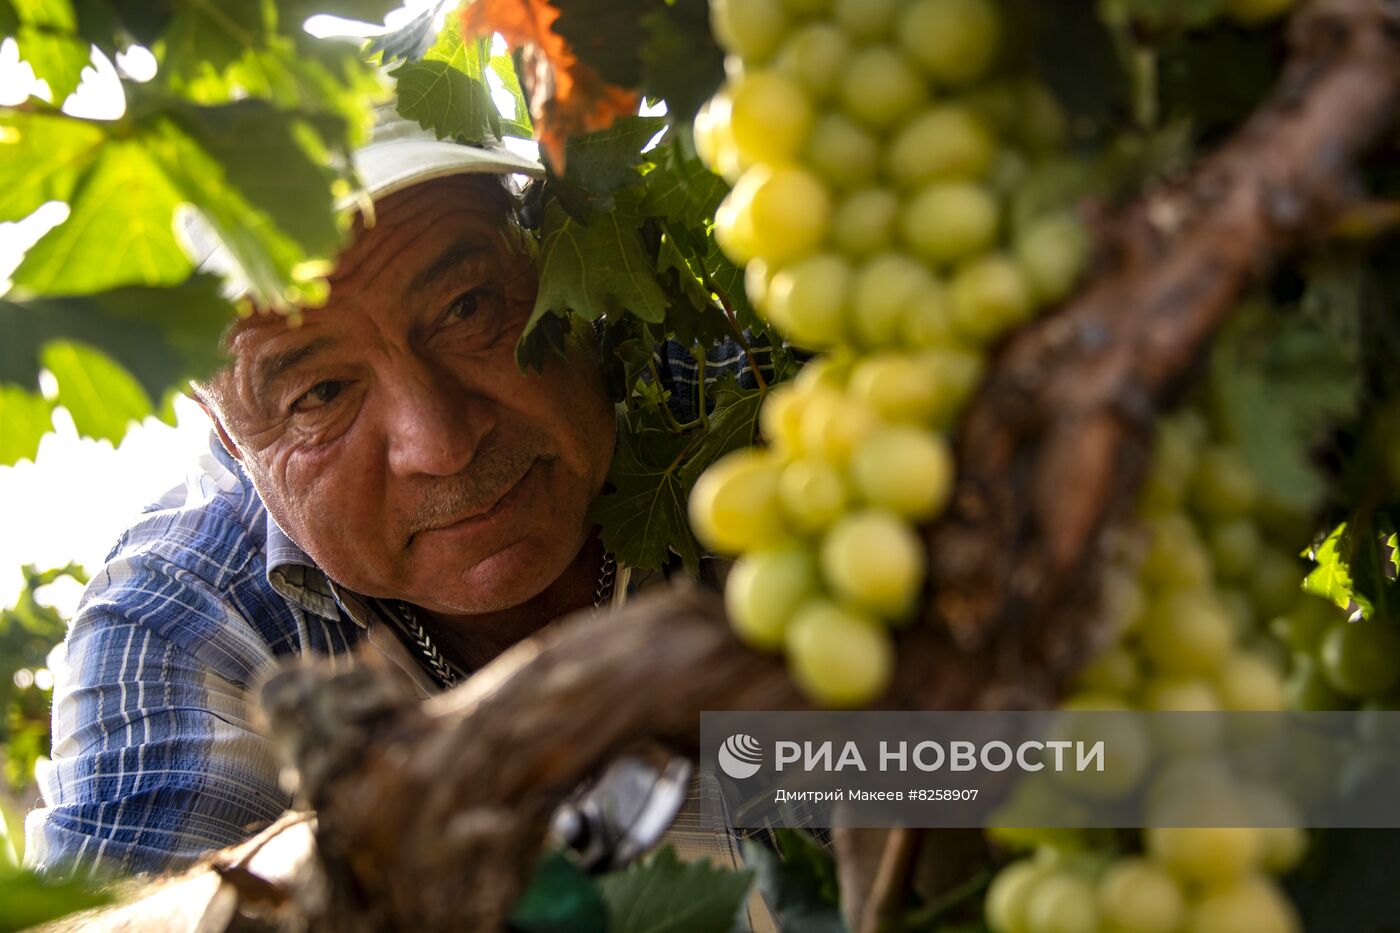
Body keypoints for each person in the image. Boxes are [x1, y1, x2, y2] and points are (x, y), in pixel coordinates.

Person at [23, 112, 775, 926]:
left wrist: (801, 754)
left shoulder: (756, 412)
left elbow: (932, 776)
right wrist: (372, 841)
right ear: (232, 445)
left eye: (466, 308)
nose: (442, 443)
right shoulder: (184, 609)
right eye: (319, 395)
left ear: (556, 265)